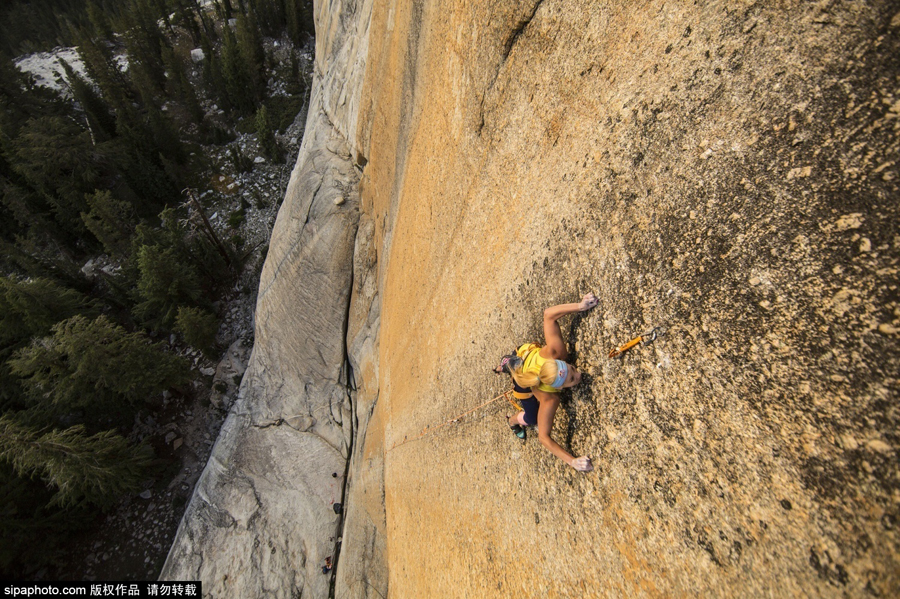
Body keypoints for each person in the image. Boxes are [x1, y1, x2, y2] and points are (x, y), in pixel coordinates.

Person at [496, 293, 598, 472]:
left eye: (572, 369)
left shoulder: (556, 352)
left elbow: (549, 314)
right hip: (523, 383)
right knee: (532, 419)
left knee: (513, 362)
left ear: (561, 362)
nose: (579, 374)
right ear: (557, 388)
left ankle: (507, 364)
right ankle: (511, 421)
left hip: (523, 353)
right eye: (572, 380)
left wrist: (581, 306)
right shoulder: (549, 398)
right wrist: (572, 461)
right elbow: (543, 437)